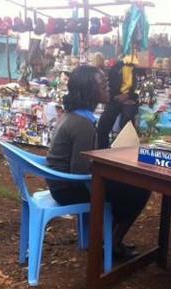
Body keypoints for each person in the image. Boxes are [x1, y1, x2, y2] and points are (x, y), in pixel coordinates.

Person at [46, 65, 150, 259]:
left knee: (127, 186)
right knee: (140, 189)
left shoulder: (74, 115)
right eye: (103, 84)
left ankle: (109, 239)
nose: (108, 87)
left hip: (59, 184)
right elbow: (80, 171)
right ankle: (113, 243)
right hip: (68, 189)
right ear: (89, 91)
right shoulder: (83, 124)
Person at [97, 53, 140, 149]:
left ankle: (125, 148)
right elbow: (111, 88)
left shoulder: (137, 70)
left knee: (127, 120)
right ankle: (102, 150)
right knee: (103, 123)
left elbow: (138, 90)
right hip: (115, 99)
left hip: (130, 99)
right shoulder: (116, 69)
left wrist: (128, 96)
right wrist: (119, 98)